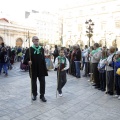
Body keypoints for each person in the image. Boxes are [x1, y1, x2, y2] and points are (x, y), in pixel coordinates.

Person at [23, 36, 48, 102]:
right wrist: (28, 62)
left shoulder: (41, 49)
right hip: (33, 69)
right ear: (33, 41)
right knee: (34, 82)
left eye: (38, 39)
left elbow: (43, 59)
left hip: (41, 68)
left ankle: (42, 95)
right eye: (35, 39)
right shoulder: (29, 50)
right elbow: (25, 60)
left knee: (42, 82)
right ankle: (34, 94)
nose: (37, 40)